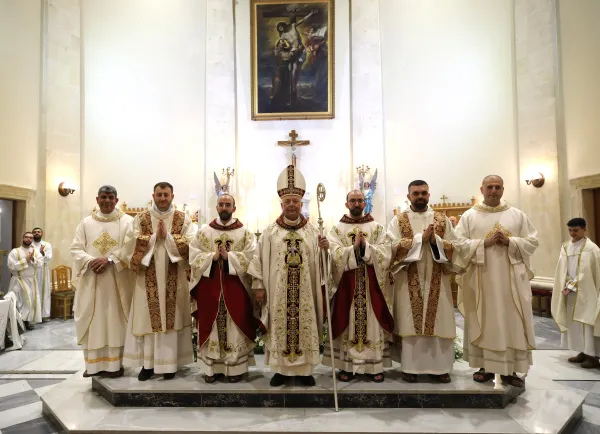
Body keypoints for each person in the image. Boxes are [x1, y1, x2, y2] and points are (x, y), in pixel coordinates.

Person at [248, 165, 329, 387]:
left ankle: (305, 372)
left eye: (295, 202)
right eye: (288, 202)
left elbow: (323, 268)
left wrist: (325, 250)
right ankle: (280, 371)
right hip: (277, 294)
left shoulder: (312, 232)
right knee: (279, 327)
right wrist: (259, 286)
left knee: (304, 325)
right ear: (282, 205)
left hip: (305, 294)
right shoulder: (270, 232)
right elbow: (258, 261)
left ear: (301, 204)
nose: (292, 205)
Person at [455, 175, 538, 387]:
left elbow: (532, 241)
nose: (493, 190)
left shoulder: (517, 215)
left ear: (503, 189)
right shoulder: (469, 216)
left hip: (511, 282)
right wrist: (485, 243)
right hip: (481, 280)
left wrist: (511, 241)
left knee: (511, 322)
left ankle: (510, 370)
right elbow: (458, 244)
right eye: (489, 187)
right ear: (481, 189)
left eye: (497, 187)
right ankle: (485, 366)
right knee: (484, 320)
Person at [116, 182, 194, 381]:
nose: (162, 198)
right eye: (159, 194)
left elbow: (193, 244)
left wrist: (168, 238)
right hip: (146, 276)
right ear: (153, 195)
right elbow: (130, 243)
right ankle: (148, 365)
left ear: (172, 196)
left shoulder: (182, 218)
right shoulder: (141, 218)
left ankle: (170, 365)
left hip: (174, 278)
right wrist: (151, 239)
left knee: (172, 319)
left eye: (166, 195)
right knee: (147, 321)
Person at [387, 180, 459, 383]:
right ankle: (410, 368)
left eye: (424, 193)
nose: (420, 196)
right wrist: (420, 239)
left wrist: (436, 241)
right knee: (410, 321)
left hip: (438, 280)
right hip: (408, 279)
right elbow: (390, 246)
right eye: (416, 193)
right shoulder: (398, 221)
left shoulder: (441, 220)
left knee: (439, 321)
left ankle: (440, 368)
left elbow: (456, 246)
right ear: (408, 196)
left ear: (429, 195)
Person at [189, 194, 263, 383]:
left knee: (235, 326)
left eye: (228, 205)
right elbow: (194, 256)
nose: (224, 208)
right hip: (210, 288)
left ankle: (235, 370)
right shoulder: (204, 232)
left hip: (235, 287)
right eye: (221, 204)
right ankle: (211, 370)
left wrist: (230, 257)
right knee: (211, 325)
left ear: (234, 208)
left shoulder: (244, 233)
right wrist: (212, 258)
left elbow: (252, 257)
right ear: (217, 207)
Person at [323, 190, 394, 382]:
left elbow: (386, 253)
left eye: (360, 200)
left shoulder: (377, 228)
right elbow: (333, 254)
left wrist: (367, 248)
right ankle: (346, 367)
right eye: (352, 200)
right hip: (347, 288)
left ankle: (374, 366)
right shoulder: (336, 229)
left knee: (372, 324)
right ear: (346, 204)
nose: (356, 203)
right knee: (348, 324)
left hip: (371, 288)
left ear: (365, 203)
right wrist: (352, 249)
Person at [70, 185, 134, 378]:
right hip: (92, 280)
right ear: (97, 199)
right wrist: (90, 261)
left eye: (111, 197)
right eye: (104, 197)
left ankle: (116, 365)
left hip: (117, 282)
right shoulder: (85, 223)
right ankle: (93, 366)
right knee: (92, 321)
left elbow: (131, 247)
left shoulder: (127, 222)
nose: (107, 201)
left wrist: (110, 259)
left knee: (115, 322)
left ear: (116, 199)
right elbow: (76, 248)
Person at [551, 217, 600, 368]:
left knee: (586, 322)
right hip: (569, 292)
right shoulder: (565, 247)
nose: (572, 233)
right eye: (570, 230)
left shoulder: (591, 249)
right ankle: (582, 352)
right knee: (574, 323)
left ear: (585, 230)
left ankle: (592, 356)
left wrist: (572, 285)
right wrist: (565, 283)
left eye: (576, 230)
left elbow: (588, 272)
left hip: (586, 292)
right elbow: (562, 269)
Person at [7, 232, 43, 330]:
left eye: (30, 238)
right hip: (19, 280)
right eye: (26, 237)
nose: (28, 239)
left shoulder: (35, 252)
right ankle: (18, 322)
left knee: (31, 301)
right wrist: (25, 260)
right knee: (19, 302)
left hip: (32, 280)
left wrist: (32, 260)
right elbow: (11, 266)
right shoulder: (15, 252)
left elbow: (40, 264)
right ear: (22, 238)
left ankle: (28, 321)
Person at [31, 227, 52, 321]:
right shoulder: (29, 244)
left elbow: (49, 258)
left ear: (42, 234)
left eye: (38, 232)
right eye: (34, 232)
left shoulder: (47, 245)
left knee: (44, 291)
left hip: (43, 270)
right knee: (33, 291)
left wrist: (42, 253)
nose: (36, 233)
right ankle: (33, 315)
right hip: (32, 270)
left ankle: (44, 315)